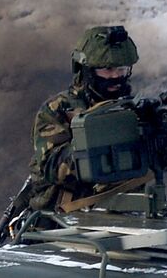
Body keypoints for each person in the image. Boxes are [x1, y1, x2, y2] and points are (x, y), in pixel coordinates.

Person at [27, 25, 143, 212]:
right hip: (68, 217)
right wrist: (112, 141)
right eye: (107, 69)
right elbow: (52, 166)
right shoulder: (59, 109)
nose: (116, 76)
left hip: (127, 213)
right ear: (86, 70)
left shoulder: (132, 108)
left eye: (122, 69)